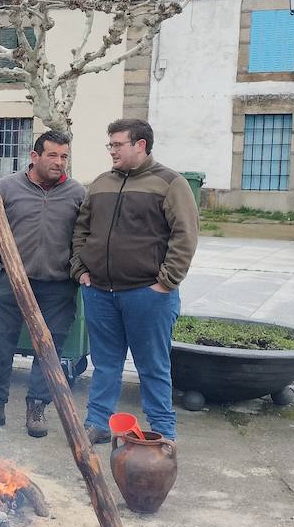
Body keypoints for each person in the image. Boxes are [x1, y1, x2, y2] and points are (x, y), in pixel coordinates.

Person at [70, 119, 198, 445]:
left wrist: (166, 282)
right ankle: (98, 423)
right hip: (100, 292)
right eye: (109, 145)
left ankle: (162, 432)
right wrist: (80, 270)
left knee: (152, 366)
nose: (111, 150)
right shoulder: (100, 184)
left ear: (140, 145)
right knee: (105, 365)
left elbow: (185, 236)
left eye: (118, 144)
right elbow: (81, 231)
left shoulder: (170, 184)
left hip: (148, 294)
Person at [0, 129, 86, 439]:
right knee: (1, 346)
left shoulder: (77, 194)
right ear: (34, 156)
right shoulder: (7, 188)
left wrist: (77, 274)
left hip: (58, 287)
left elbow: (85, 237)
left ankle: (37, 406)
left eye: (64, 156)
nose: (59, 162)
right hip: (10, 283)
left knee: (49, 351)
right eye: (52, 155)